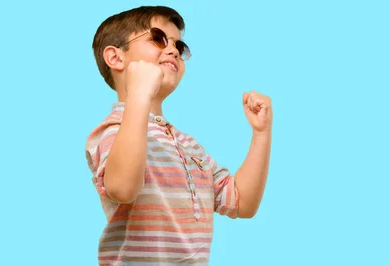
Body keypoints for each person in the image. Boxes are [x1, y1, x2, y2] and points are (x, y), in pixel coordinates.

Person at [85, 5, 272, 265]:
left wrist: (261, 134)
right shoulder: (112, 129)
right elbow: (123, 188)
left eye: (179, 47)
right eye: (158, 38)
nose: (173, 50)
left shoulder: (189, 146)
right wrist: (139, 93)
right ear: (116, 58)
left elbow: (242, 202)